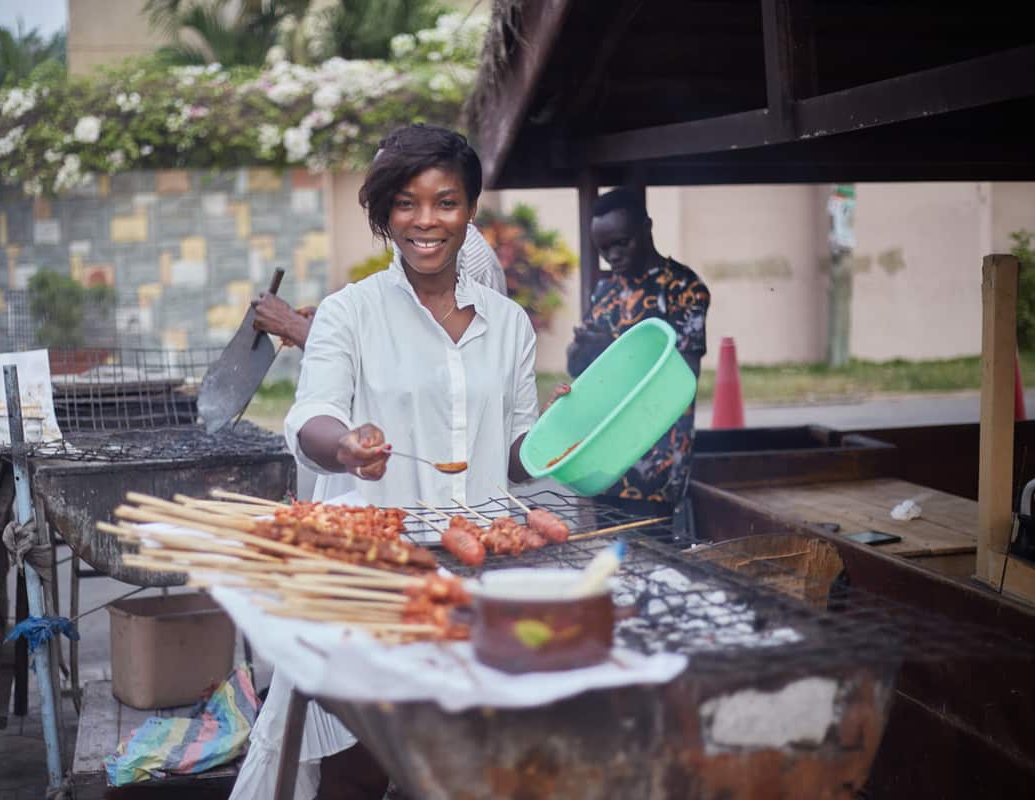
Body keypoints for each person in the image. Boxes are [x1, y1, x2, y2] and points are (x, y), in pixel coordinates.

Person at [229, 124, 541, 800]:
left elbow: (518, 454)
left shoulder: (510, 324)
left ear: (470, 211)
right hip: (379, 574)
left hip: (485, 572)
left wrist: (565, 440)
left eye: (446, 202)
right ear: (383, 215)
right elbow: (309, 418)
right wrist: (343, 445)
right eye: (406, 203)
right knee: (376, 758)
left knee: (477, 756)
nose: (427, 221)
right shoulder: (349, 313)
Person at [566, 187, 710, 519]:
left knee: (654, 558)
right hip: (603, 454)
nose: (613, 256)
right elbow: (579, 370)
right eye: (604, 249)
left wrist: (608, 349)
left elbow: (682, 377)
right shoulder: (606, 289)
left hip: (654, 458)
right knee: (610, 557)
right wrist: (582, 350)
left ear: (646, 228)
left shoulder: (683, 289)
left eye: (622, 242)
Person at [251, 217, 508, 350]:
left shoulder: (462, 261)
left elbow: (408, 370)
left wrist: (292, 325)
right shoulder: (421, 250)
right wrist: (329, 326)